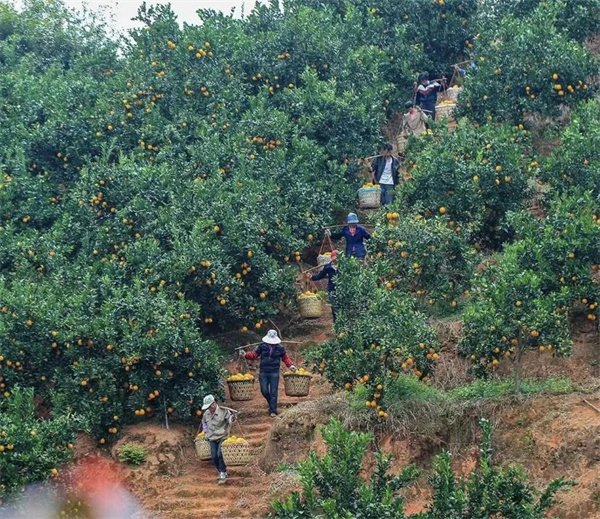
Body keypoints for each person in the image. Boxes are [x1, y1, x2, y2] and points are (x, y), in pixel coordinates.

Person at [241, 330, 296, 417]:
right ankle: (272, 404)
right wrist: (245, 354)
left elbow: (285, 358)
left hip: (274, 372)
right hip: (263, 372)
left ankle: (273, 411)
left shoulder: (280, 348)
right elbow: (254, 355)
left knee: (273, 392)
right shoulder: (262, 346)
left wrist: (291, 366)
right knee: (264, 390)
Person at [201, 394, 235, 484]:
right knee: (214, 456)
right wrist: (205, 431)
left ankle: (223, 473)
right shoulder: (206, 414)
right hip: (212, 437)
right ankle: (221, 471)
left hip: (222, 436)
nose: (209, 409)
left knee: (220, 454)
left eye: (209, 406)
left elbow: (230, 419)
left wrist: (232, 418)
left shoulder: (223, 411)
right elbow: (204, 423)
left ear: (214, 404)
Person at [309, 249, 338, 322]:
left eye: (336, 258)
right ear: (331, 258)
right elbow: (320, 275)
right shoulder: (328, 267)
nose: (335, 260)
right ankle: (336, 324)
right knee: (334, 307)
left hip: (343, 288)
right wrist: (312, 277)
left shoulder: (343, 266)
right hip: (332, 289)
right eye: (333, 258)